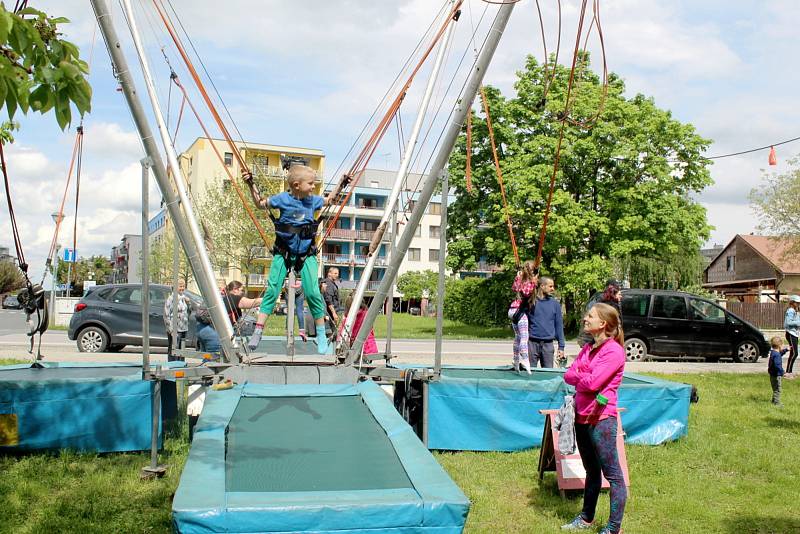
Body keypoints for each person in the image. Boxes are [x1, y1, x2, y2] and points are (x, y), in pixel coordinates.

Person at [243, 164, 350, 353]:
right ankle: (258, 331)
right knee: (272, 290)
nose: (313, 187)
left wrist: (342, 183)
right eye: (310, 184)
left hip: (306, 253)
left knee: (313, 293)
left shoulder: (313, 201)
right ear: (296, 185)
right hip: (283, 252)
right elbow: (260, 203)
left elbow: (331, 200)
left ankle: (321, 335)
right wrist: (251, 184)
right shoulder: (282, 199)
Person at [562, 303, 627, 534]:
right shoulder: (587, 348)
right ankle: (586, 518)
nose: (585, 318)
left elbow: (593, 383)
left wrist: (581, 375)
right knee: (591, 471)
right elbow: (568, 375)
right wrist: (582, 375)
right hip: (582, 417)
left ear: (603, 324)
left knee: (614, 476)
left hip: (602, 420)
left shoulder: (614, 351)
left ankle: (613, 528)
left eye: (590, 316)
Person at [527, 276, 565, 368]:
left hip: (548, 345)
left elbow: (559, 326)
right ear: (542, 286)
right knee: (528, 374)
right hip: (532, 343)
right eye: (550, 286)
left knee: (548, 375)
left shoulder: (554, 304)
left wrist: (561, 347)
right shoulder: (531, 302)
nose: (553, 289)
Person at [509, 260, 537, 374]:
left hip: (512, 310)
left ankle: (516, 360)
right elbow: (526, 293)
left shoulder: (519, 279)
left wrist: (518, 277)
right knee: (525, 337)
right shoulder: (529, 283)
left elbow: (515, 288)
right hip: (519, 312)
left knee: (518, 337)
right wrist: (534, 282)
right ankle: (525, 359)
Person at [578, 279, 623, 349]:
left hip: (592, 341)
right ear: (613, 292)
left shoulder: (597, 299)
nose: (621, 296)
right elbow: (615, 325)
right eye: (619, 293)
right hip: (595, 341)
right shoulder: (608, 305)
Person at [338, 292, 377, 360]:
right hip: (370, 348)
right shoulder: (367, 314)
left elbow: (341, 335)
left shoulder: (349, 319)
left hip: (359, 350)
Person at [164, 280, 189, 361]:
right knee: (174, 350)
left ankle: (181, 367)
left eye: (183, 286)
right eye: (180, 286)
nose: (182, 288)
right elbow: (166, 314)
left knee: (182, 351)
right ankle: (173, 368)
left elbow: (188, 312)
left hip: (183, 328)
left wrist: (189, 303)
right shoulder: (171, 298)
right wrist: (171, 330)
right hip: (175, 329)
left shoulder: (183, 298)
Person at [768, 335, 788, 406]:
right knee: (778, 390)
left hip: (772, 375)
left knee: (775, 389)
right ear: (779, 346)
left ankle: (773, 401)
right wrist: (783, 373)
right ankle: (777, 403)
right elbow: (777, 365)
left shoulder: (773, 353)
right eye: (782, 345)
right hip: (776, 375)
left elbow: (779, 354)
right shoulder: (777, 355)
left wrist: (786, 350)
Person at [323, 267, 343, 336]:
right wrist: (334, 313)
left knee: (334, 332)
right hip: (330, 313)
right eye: (335, 273)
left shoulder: (333, 283)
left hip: (333, 312)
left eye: (337, 273)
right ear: (329, 274)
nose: (337, 275)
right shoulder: (329, 284)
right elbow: (329, 300)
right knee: (331, 333)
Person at [784, 295, 800, 375]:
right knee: (795, 353)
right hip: (791, 333)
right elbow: (788, 323)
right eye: (797, 303)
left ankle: (789, 371)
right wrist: (798, 323)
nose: (798, 304)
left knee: (793, 353)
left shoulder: (794, 310)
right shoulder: (790, 310)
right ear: (793, 302)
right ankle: (788, 372)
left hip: (794, 333)